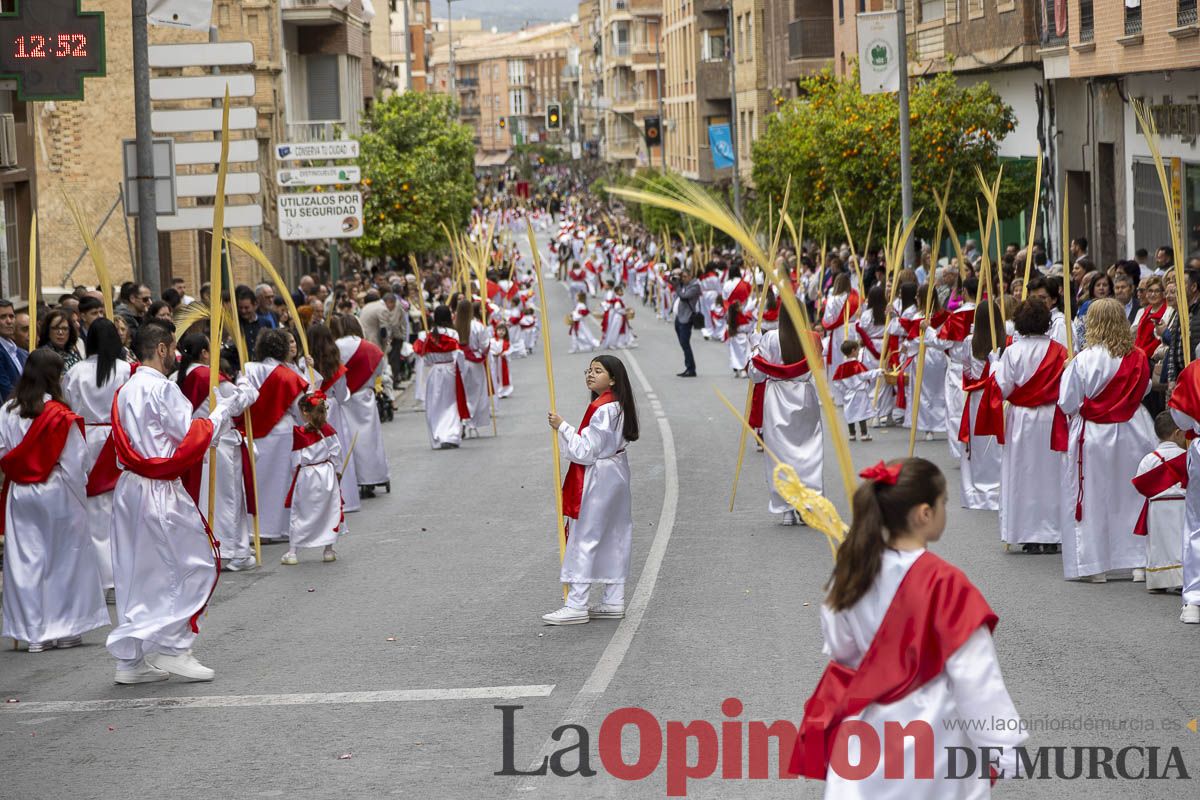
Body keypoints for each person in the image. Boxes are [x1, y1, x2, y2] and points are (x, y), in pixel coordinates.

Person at [789, 457, 1025, 792]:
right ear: (924, 514)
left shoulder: (851, 573)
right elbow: (974, 674)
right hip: (932, 732)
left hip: (867, 726)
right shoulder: (946, 583)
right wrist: (1003, 747)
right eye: (943, 502)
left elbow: (840, 649)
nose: (946, 510)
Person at [107, 320, 254, 684]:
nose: (175, 356)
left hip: (128, 489)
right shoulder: (162, 389)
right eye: (171, 348)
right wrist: (222, 411)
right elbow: (189, 438)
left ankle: (131, 660)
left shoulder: (125, 390)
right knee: (194, 563)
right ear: (160, 349)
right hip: (158, 488)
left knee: (136, 571)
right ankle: (175, 648)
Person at [0, 349, 106, 653]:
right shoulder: (60, 414)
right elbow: (76, 461)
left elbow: (2, 451)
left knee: (27, 562)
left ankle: (35, 633)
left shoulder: (7, 409)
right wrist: (80, 496)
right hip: (58, 490)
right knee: (66, 558)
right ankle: (67, 628)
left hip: (21, 493)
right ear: (51, 377)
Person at [1058, 298, 1157, 582]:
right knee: (1133, 496)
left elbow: (1067, 402)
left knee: (1094, 497)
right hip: (1135, 429)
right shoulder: (1138, 356)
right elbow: (1145, 387)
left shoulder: (1085, 359)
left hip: (1095, 434)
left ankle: (1095, 565)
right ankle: (1138, 562)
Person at [542, 355, 637, 625]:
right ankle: (613, 598)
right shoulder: (616, 406)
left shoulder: (603, 408)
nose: (590, 375)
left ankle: (577, 603)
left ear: (614, 379)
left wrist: (563, 427)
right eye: (589, 370)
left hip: (599, 476)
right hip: (616, 471)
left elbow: (585, 451)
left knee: (586, 535)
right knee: (614, 534)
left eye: (598, 371)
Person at [176, 333, 257, 572]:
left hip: (195, 441)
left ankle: (213, 547)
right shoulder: (206, 375)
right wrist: (244, 382)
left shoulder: (178, 376)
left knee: (203, 497)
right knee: (227, 498)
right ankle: (230, 551)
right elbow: (239, 401)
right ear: (204, 353)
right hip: (218, 441)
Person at [64, 319, 134, 592]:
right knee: (120, 509)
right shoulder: (126, 370)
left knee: (95, 510)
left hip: (86, 439)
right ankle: (121, 574)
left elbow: (69, 404)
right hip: (117, 440)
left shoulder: (76, 372)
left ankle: (102, 576)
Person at [993, 300, 1067, 553]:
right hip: (1051, 417)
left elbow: (1002, 388)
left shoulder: (1013, 351)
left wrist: (995, 367)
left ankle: (1027, 532)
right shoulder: (1060, 350)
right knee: (1051, 473)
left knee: (1023, 474)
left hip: (1022, 419)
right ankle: (1054, 532)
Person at [748, 311, 823, 525]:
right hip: (804, 396)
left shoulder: (770, 338)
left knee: (780, 456)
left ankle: (786, 508)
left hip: (778, 399)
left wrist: (755, 347)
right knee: (807, 453)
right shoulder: (813, 338)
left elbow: (756, 374)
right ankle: (807, 504)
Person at [238, 329, 311, 545]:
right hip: (281, 433)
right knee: (281, 481)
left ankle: (255, 529)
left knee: (255, 480)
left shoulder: (247, 369)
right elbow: (300, 411)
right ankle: (278, 528)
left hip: (253, 433)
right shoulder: (288, 376)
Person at [280, 391, 343, 566]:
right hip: (327, 474)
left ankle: (293, 552)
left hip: (307, 476)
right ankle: (328, 549)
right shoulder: (329, 430)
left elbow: (295, 460)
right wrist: (337, 472)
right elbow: (337, 454)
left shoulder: (299, 433)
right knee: (329, 511)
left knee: (300, 512)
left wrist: (296, 476)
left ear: (305, 412)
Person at [331, 314, 390, 495]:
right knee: (369, 441)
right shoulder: (370, 348)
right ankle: (371, 477)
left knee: (348, 441)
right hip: (365, 397)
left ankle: (352, 479)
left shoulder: (336, 347)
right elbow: (378, 370)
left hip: (345, 398)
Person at [306, 323, 360, 512]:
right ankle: (347, 497)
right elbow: (342, 395)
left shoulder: (305, 363)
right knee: (339, 449)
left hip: (313, 408)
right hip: (334, 409)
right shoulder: (335, 365)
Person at [1132, 412, 1186, 592]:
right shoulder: (1186, 456)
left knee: (1157, 544)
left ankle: (1158, 580)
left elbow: (1140, 482)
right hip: (1182, 506)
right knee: (1180, 542)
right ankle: (1181, 579)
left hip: (1157, 507)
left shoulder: (1149, 458)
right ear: (1178, 433)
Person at [414, 306, 467, 449]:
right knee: (451, 403)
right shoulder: (453, 333)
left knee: (435, 404)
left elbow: (425, 359)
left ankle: (438, 435)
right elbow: (458, 354)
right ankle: (451, 434)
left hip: (435, 370)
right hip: (450, 369)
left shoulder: (428, 336)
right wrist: (461, 369)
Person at [832, 340, 879, 442]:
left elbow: (836, 381)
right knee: (862, 412)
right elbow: (864, 375)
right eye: (857, 350)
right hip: (860, 392)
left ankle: (852, 434)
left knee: (850, 412)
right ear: (853, 351)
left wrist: (844, 390)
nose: (858, 352)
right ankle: (864, 434)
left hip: (848, 393)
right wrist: (878, 372)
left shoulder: (841, 367)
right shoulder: (856, 365)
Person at [670, 268, 701, 377]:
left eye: (684, 277)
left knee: (685, 343)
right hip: (679, 317)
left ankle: (691, 369)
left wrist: (677, 286)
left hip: (686, 319)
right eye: (681, 277)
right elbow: (672, 284)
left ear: (690, 276)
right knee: (683, 344)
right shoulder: (683, 285)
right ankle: (688, 367)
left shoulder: (695, 286)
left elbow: (684, 296)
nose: (682, 279)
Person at [0, 299, 28, 400]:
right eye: (3, 317)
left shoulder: (21, 352)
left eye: (11, 316)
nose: (9, 321)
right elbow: (6, 390)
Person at [724, 299, 752, 378]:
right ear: (736, 308)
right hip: (742, 337)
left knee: (735, 354)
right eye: (740, 306)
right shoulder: (741, 317)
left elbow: (727, 328)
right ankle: (742, 369)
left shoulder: (730, 318)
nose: (742, 307)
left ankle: (736, 369)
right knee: (744, 355)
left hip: (734, 338)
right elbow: (746, 328)